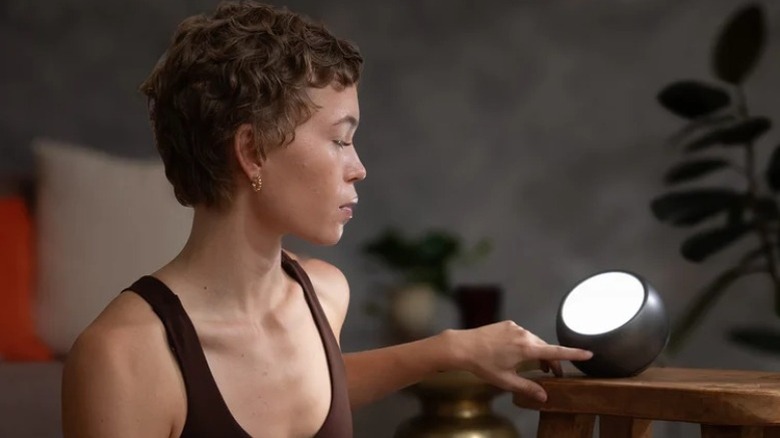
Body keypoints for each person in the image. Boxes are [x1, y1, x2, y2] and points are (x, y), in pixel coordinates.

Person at [61, 2, 593, 437]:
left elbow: (313, 387)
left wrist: (453, 349)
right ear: (252, 152)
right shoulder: (123, 358)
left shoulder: (324, 293)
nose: (359, 168)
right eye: (340, 139)